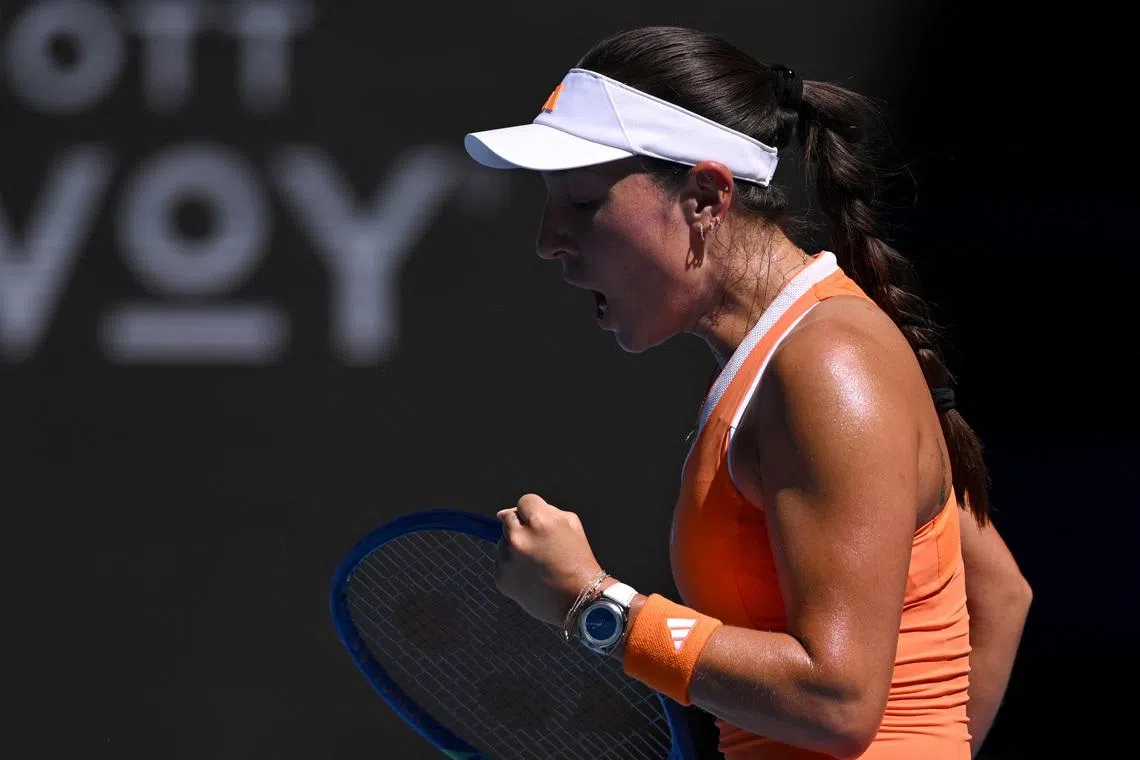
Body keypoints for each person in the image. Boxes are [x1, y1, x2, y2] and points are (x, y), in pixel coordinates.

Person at [465, 26, 1032, 760]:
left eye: (581, 200)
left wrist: (596, 606)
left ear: (705, 196)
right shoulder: (799, 358)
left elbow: (837, 702)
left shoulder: (829, 369)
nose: (549, 239)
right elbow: (1000, 594)